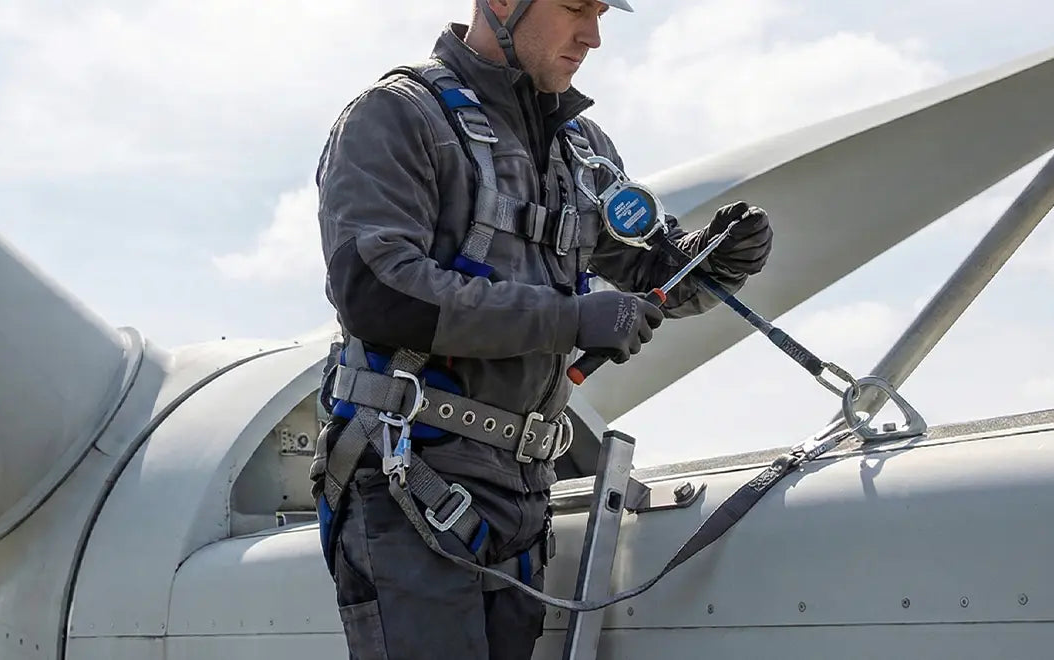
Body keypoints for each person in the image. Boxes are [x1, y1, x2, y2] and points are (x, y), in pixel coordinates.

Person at [308, 0, 774, 658]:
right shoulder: (395, 116)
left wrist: (711, 260)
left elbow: (655, 273)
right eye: (576, 7)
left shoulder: (583, 152)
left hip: (525, 495)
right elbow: (379, 292)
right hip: (411, 484)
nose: (594, 36)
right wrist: (570, 319)